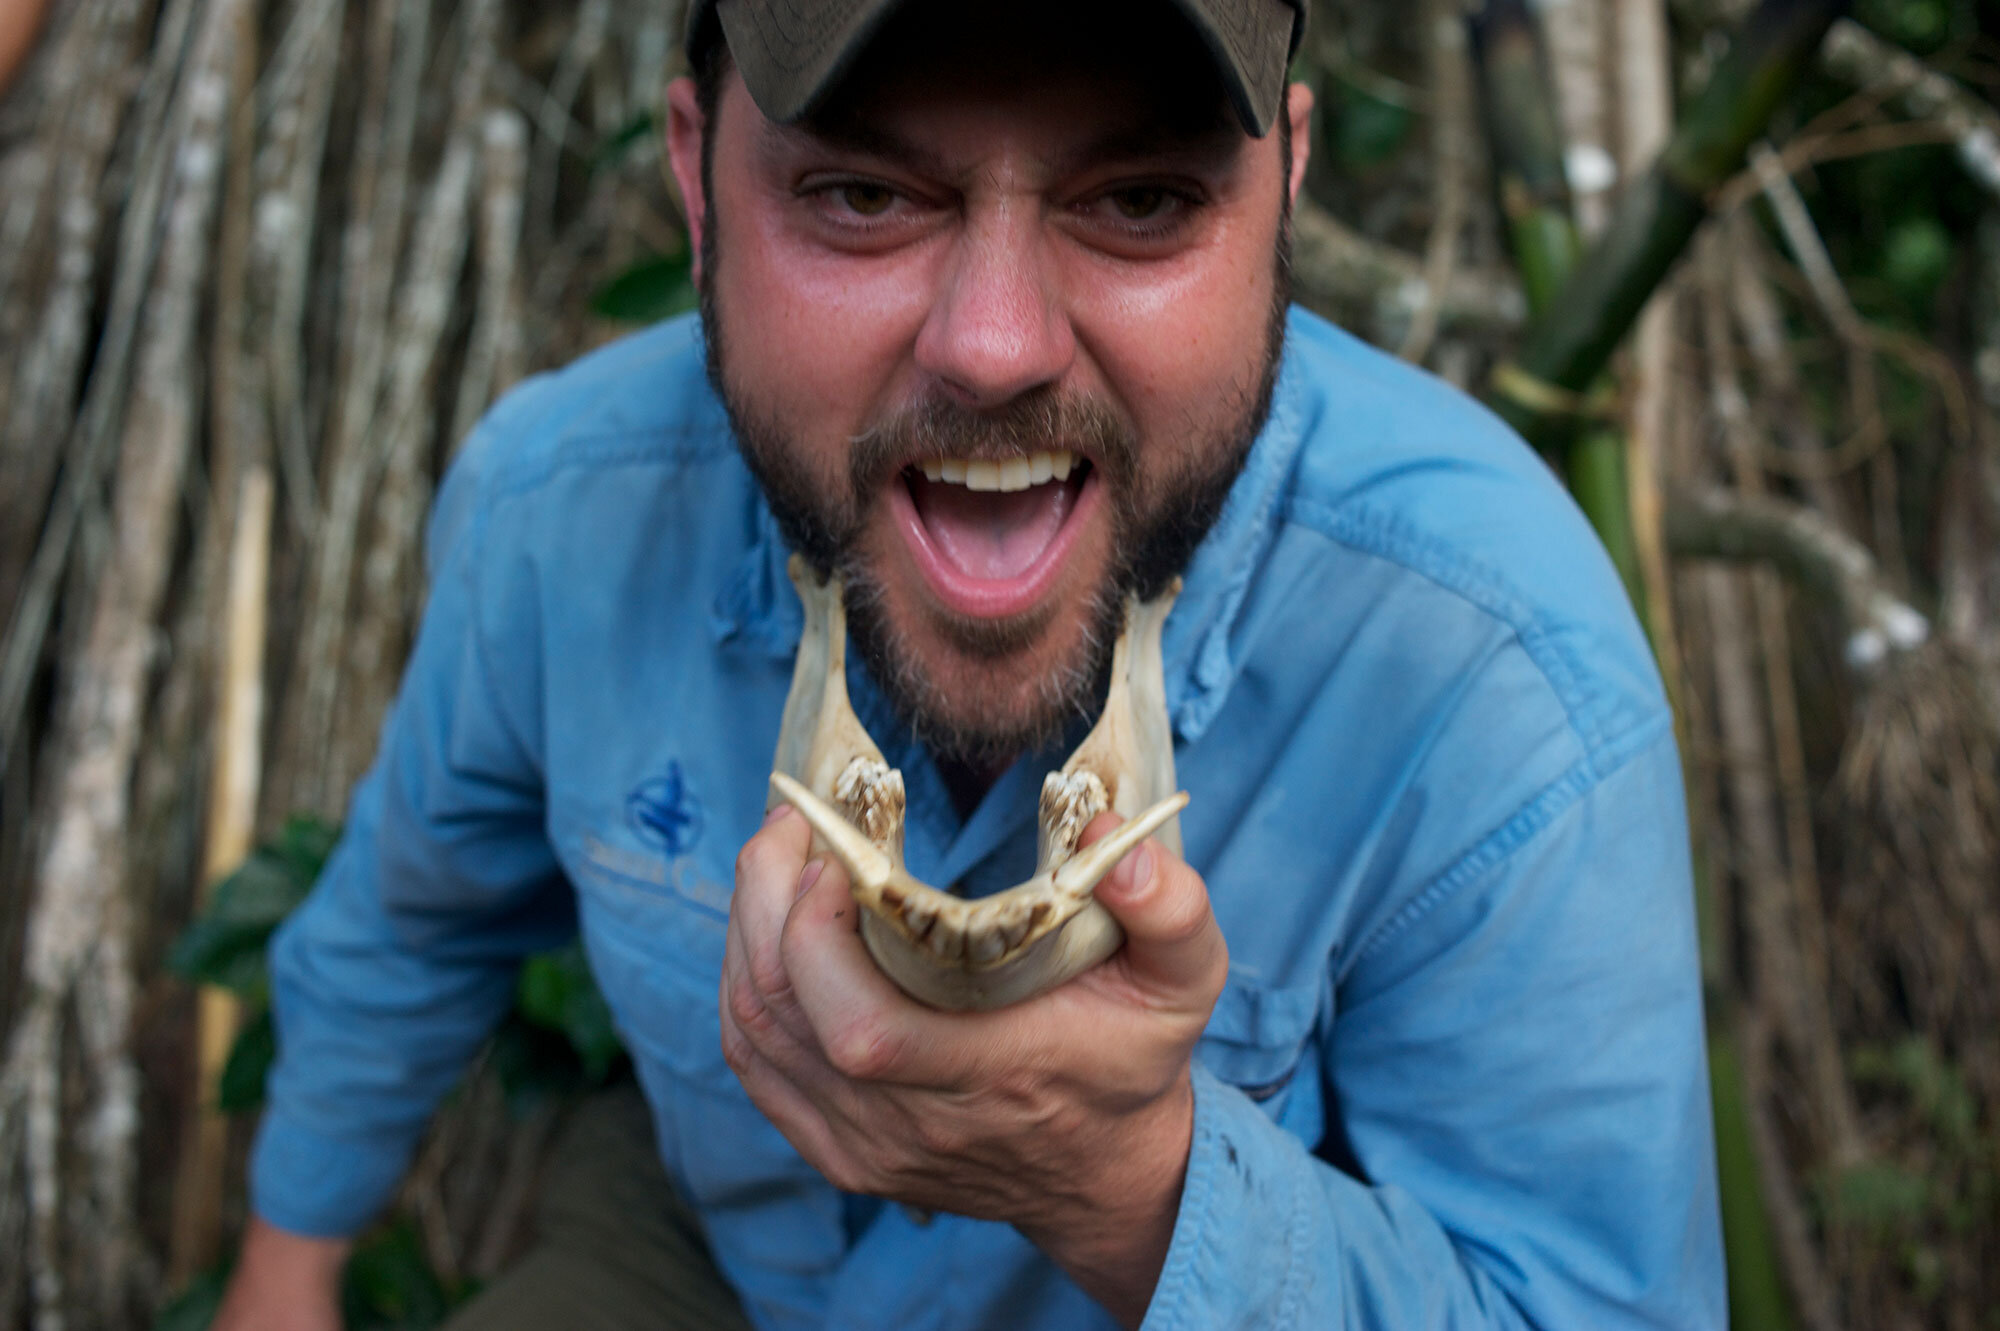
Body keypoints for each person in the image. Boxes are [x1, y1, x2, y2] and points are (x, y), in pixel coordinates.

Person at [214, 0, 1725, 1327]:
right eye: (863, 194)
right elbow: (412, 917)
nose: (995, 348)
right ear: (695, 177)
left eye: (1139, 201)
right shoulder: (562, 513)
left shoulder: (1493, 665)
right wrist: (286, 1268)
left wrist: (1130, 1188)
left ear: (1290, 191)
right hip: (723, 1264)